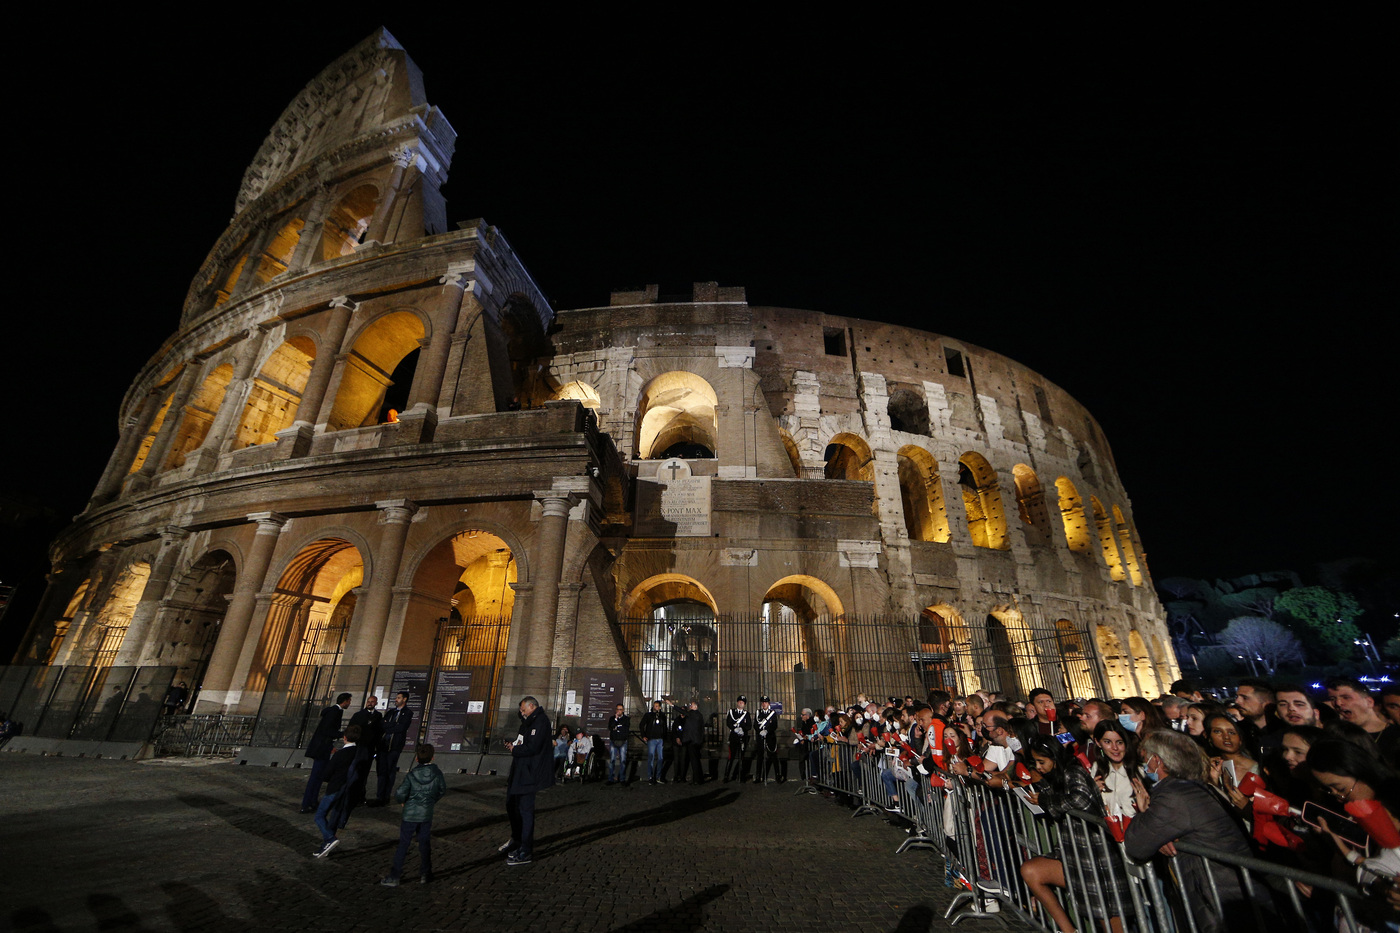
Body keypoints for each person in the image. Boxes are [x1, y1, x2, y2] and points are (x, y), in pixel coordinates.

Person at [1125, 730, 1261, 933]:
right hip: (1225, 890)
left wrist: (1144, 814)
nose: (1145, 766)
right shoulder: (1196, 787)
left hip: (1218, 894)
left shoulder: (1174, 795)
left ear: (1158, 761)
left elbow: (1136, 844)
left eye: (1145, 759)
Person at [1018, 736, 1128, 933]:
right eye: (1035, 762)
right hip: (1073, 853)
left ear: (1054, 757)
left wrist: (1045, 800)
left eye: (1042, 762)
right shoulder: (1056, 776)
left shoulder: (1073, 771)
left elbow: (1080, 800)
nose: (1039, 767)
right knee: (1031, 870)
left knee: (1107, 913)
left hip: (1095, 854)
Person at [380, 743, 447, 886]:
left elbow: (400, 793)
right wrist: (431, 801)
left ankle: (395, 875)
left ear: (416, 758)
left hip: (410, 814)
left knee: (403, 844)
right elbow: (442, 790)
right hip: (425, 814)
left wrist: (403, 801)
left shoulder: (412, 775)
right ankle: (425, 873)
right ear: (433, 757)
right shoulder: (437, 774)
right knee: (424, 844)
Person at [502, 696, 553, 866]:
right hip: (522, 770)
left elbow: (533, 746)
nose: (522, 713)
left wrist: (515, 749)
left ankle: (525, 849)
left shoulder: (540, 722)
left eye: (524, 710)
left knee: (525, 811)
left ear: (532, 706)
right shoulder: (529, 721)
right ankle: (519, 842)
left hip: (529, 772)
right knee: (513, 805)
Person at [1326, 677, 1400, 766]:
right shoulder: (1337, 738)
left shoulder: (1397, 734)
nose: (1338, 703)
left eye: (1346, 697)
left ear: (1369, 702)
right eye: (1333, 699)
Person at [312, 723, 360, 858]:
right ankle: (326, 846)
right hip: (348, 788)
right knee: (334, 818)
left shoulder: (341, 754)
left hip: (335, 787)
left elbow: (327, 773)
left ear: (344, 738)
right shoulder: (358, 753)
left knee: (320, 815)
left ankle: (329, 839)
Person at [300, 692, 352, 813]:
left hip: (323, 747)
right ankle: (307, 803)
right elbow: (327, 731)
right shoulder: (334, 712)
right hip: (321, 748)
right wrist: (342, 735)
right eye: (349, 701)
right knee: (315, 777)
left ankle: (312, 801)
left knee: (318, 777)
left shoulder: (334, 711)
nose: (349, 703)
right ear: (344, 701)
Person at [1091, 719, 1140, 817]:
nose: (1115, 748)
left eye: (1119, 742)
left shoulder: (1139, 770)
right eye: (1107, 742)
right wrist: (1093, 793)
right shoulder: (1097, 768)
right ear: (1098, 742)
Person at [374, 692, 414, 805]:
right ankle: (379, 796)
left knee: (390, 771)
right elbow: (382, 724)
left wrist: (389, 726)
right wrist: (392, 725)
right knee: (381, 771)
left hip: (395, 746)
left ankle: (386, 796)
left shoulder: (408, 713)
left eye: (398, 698)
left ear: (404, 699)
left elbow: (401, 727)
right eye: (396, 698)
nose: (396, 699)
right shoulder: (391, 712)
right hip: (383, 745)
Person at [752, 696, 780, 784]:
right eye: (763, 702)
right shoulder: (758, 712)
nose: (764, 704)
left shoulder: (772, 713)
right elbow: (755, 724)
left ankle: (778, 775)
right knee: (760, 756)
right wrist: (760, 731)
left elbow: (774, 725)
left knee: (773, 756)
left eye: (766, 702)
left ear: (768, 704)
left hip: (770, 737)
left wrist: (767, 731)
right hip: (760, 737)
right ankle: (758, 776)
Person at [723, 695, 751, 783]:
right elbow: (728, 722)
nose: (740, 703)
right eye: (739, 701)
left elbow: (749, 726)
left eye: (742, 702)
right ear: (737, 702)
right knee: (731, 756)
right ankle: (726, 776)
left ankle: (741, 776)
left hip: (743, 737)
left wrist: (742, 729)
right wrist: (735, 729)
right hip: (734, 737)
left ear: (744, 704)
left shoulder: (746, 714)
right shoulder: (731, 712)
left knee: (741, 757)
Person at [678, 700, 706, 784]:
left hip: (692, 741)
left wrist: (672, 705)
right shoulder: (699, 715)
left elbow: (683, 712)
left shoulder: (693, 714)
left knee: (694, 761)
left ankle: (697, 780)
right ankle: (698, 778)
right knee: (696, 760)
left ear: (695, 706)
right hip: (696, 741)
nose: (690, 706)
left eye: (692, 705)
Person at [606, 703, 630, 786]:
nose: (619, 711)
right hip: (614, 741)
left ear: (623, 710)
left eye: (620, 709)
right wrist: (616, 720)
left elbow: (625, 729)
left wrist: (617, 728)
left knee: (623, 761)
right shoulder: (612, 718)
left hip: (623, 741)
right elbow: (611, 727)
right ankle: (611, 778)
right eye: (617, 709)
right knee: (612, 760)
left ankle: (622, 778)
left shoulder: (626, 719)